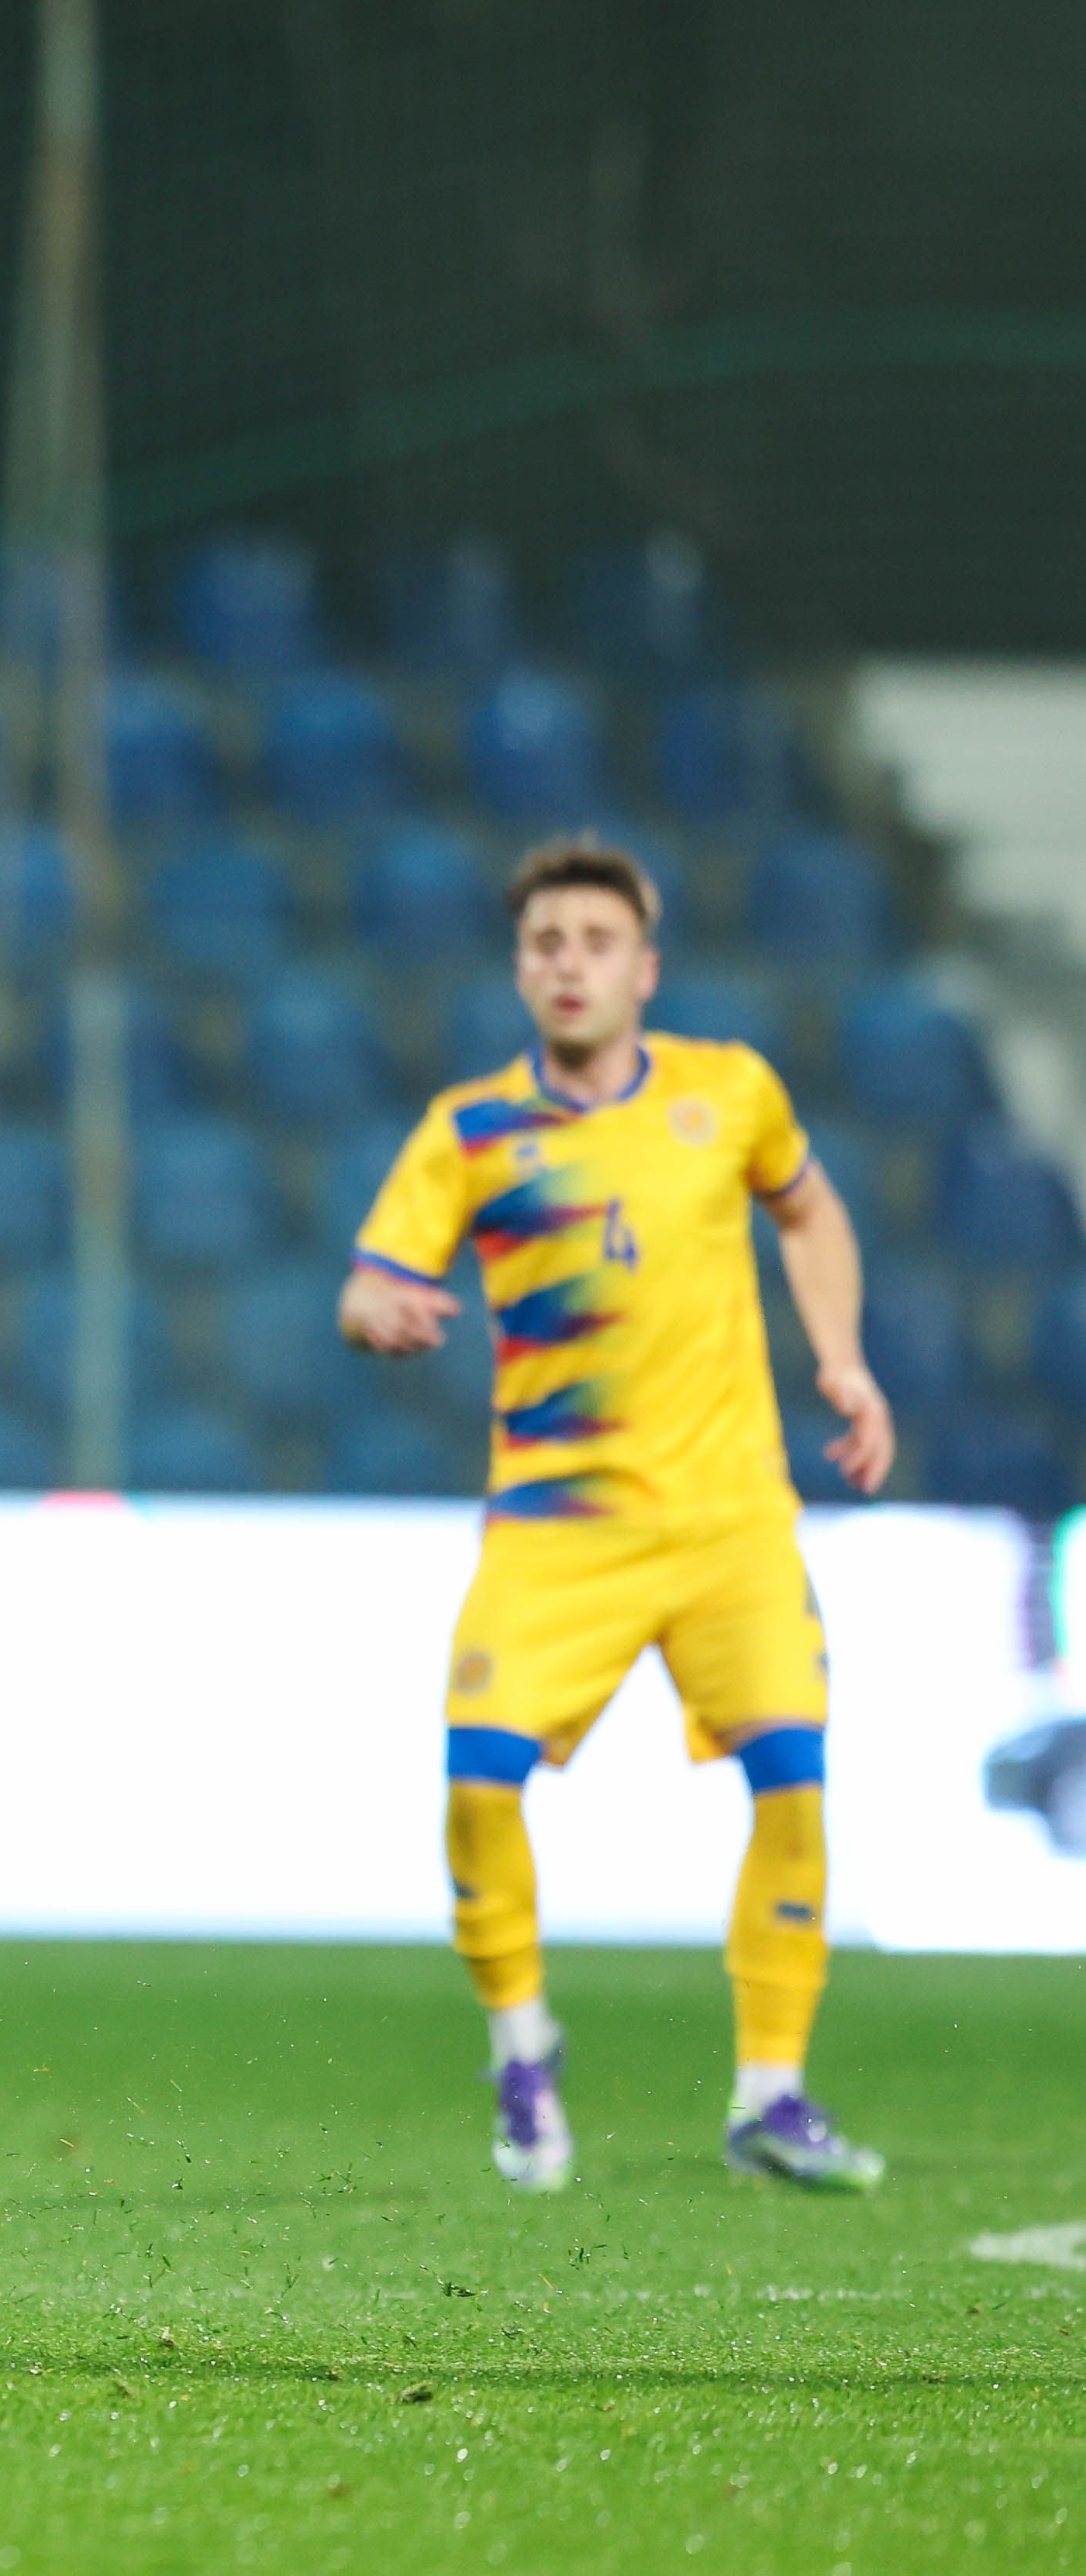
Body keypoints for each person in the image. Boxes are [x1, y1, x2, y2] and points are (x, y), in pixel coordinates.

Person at [341, 835, 896, 2195]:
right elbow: (367, 1283)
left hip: (729, 1524)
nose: (568, 963)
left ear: (646, 969)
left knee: (795, 1783)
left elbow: (811, 1216)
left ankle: (772, 2089)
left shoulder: (732, 1091)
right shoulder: (469, 1130)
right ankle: (522, 2047)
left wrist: (842, 1354)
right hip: (558, 1526)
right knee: (477, 1781)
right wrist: (382, 1315)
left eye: (595, 941)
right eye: (545, 943)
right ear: (520, 971)